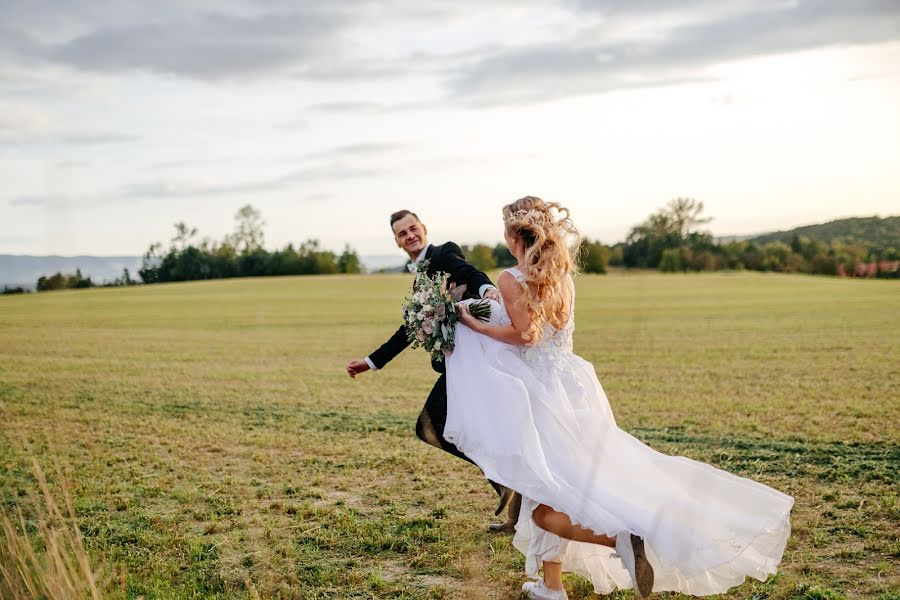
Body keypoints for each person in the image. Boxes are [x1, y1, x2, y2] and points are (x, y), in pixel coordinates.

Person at [445, 197, 793, 599]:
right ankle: (551, 585)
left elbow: (526, 336)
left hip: (541, 395)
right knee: (564, 484)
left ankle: (621, 540)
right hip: (573, 386)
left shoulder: (511, 277)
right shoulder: (561, 274)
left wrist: (474, 324)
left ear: (511, 234)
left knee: (546, 501)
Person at [346, 209, 522, 531]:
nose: (409, 235)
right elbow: (409, 329)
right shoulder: (419, 280)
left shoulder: (443, 253)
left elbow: (468, 271)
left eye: (413, 228)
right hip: (457, 364)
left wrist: (486, 291)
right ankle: (512, 501)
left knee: (432, 425)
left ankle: (503, 479)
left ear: (424, 228)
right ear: (398, 242)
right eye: (402, 233)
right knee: (444, 427)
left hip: (475, 359)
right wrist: (372, 362)